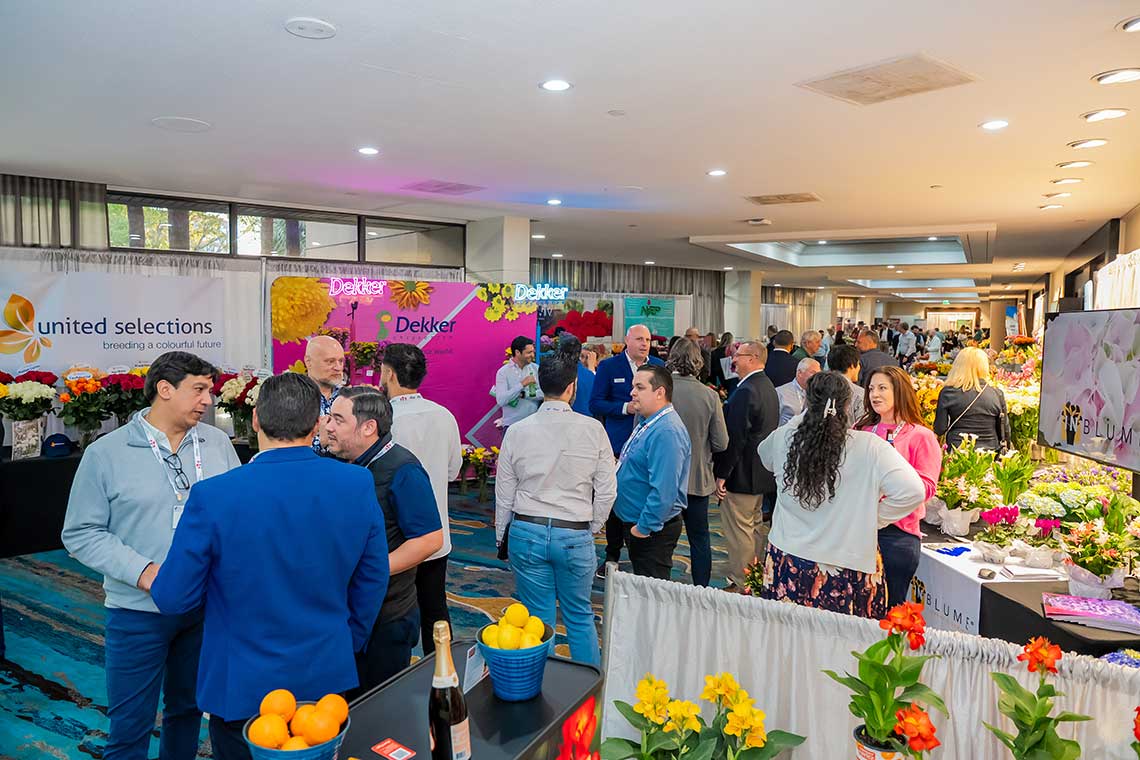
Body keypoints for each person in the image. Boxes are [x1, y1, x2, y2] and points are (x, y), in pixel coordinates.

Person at [150, 373, 390, 760]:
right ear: (317, 424)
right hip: (324, 668)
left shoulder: (214, 496)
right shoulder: (355, 483)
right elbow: (373, 577)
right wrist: (345, 640)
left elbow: (174, 597)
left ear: (256, 419)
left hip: (241, 681)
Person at [61, 352, 241, 760]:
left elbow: (236, 514)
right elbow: (80, 533)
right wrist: (145, 573)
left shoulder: (216, 444)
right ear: (165, 389)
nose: (208, 400)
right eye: (199, 389)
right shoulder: (106, 453)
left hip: (204, 610)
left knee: (188, 712)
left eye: (210, 390)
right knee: (129, 728)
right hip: (136, 613)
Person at [757, 372, 925, 618]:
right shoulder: (869, 446)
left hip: (790, 557)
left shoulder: (786, 438)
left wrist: (805, 415)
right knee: (844, 637)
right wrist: (872, 519)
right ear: (847, 406)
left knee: (789, 635)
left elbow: (764, 455)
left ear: (808, 402)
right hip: (847, 562)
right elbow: (913, 491)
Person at [495, 352, 616, 666]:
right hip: (574, 533)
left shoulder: (517, 431)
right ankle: (590, 689)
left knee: (537, 621)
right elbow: (607, 491)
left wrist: (501, 537)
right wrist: (591, 527)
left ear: (538, 383)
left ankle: (541, 689)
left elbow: (504, 492)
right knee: (580, 615)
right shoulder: (594, 430)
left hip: (527, 530)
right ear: (573, 386)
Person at [323, 386, 442, 691]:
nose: (328, 426)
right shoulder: (343, 463)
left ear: (368, 428)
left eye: (338, 419)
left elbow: (429, 540)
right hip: (346, 611)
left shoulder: (403, 469)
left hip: (386, 617)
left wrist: (373, 570)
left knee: (378, 705)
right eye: (329, 417)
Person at [379, 344, 463, 657]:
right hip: (435, 535)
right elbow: (454, 471)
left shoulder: (384, 421)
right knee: (436, 611)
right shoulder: (444, 416)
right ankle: (442, 673)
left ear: (389, 374)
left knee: (391, 615)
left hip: (395, 540)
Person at [855, 366, 942, 608]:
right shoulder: (860, 430)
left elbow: (927, 487)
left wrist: (891, 488)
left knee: (889, 611)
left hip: (897, 535)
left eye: (882, 388)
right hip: (858, 531)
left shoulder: (921, 436)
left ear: (899, 391)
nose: (875, 394)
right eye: (871, 389)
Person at [590, 324, 665, 575]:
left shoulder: (658, 366)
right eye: (640, 339)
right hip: (617, 445)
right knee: (615, 499)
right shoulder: (609, 367)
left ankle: (641, 550)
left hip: (650, 443)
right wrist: (625, 408)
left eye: (648, 340)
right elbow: (595, 403)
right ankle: (611, 555)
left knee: (647, 493)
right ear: (627, 340)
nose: (645, 344)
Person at [611, 365, 690, 579]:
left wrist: (643, 528)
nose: (632, 393)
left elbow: (664, 492)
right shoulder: (648, 421)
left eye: (640, 387)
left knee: (652, 593)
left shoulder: (666, 431)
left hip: (651, 531)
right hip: (640, 524)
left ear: (660, 392)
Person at [712, 341, 780, 592]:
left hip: (741, 474)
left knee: (739, 531)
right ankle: (754, 579)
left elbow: (735, 439)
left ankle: (742, 584)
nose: (734, 360)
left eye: (738, 356)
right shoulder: (767, 386)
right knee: (754, 529)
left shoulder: (746, 391)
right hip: (760, 472)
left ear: (752, 358)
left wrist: (722, 474)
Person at [666, 339, 729, 587]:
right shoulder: (710, 396)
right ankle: (700, 589)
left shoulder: (659, 391)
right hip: (697, 478)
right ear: (698, 362)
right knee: (700, 539)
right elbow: (722, 442)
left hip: (663, 478)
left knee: (660, 539)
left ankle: (656, 587)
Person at [934, 346, 1011, 451]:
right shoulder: (996, 394)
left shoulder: (948, 393)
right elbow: (1004, 429)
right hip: (990, 452)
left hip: (958, 450)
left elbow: (940, 428)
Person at [304, 335, 346, 453]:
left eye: (341, 361)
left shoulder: (348, 397)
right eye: (330, 361)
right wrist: (321, 443)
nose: (338, 367)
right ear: (308, 362)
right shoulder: (294, 399)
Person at [495, 336, 543, 427]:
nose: (532, 355)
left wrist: (524, 395)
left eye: (533, 352)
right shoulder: (503, 372)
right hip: (511, 425)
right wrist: (522, 384)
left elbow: (544, 394)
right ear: (517, 352)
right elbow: (501, 400)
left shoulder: (536, 369)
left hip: (533, 424)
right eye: (529, 352)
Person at [828, 343, 867, 426]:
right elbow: (862, 425)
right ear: (852, 365)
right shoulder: (859, 394)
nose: (859, 367)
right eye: (858, 364)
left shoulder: (816, 387)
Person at [775, 358, 821, 426]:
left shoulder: (817, 395)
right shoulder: (780, 393)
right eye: (813, 373)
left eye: (819, 375)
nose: (817, 378)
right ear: (800, 373)